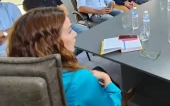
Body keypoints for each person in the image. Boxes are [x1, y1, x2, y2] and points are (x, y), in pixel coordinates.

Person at [6, 7, 134, 106]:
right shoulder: (78, 78)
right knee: (104, 76)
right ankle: (122, 96)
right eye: (69, 31)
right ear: (51, 43)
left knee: (98, 69)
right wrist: (107, 81)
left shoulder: (11, 75)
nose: (74, 34)